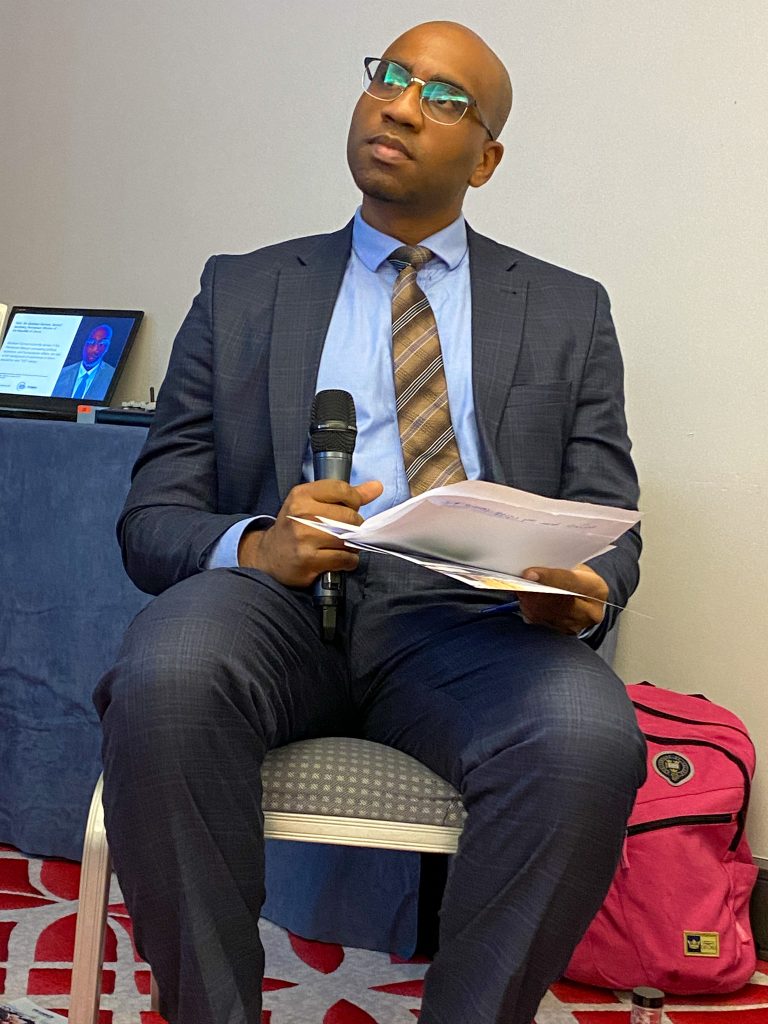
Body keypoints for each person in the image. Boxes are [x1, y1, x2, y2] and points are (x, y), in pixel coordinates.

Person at [94, 20, 646, 1024]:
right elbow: (152, 518)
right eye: (389, 78)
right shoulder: (244, 288)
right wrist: (259, 543)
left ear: (487, 156)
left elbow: (611, 520)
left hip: (470, 632)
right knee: (165, 673)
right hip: (279, 609)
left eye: (442, 97)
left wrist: (585, 584)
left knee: (588, 736)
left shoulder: (570, 310)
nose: (399, 103)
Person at [51, 323, 114, 399]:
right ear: (83, 343)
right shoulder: (61, 374)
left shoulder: (111, 376)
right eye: (91, 342)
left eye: (102, 344)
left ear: (107, 348)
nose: (95, 349)